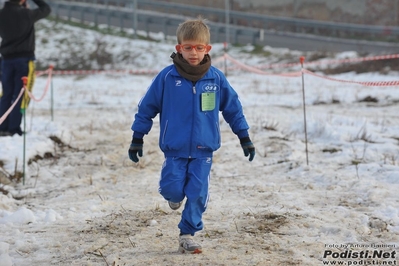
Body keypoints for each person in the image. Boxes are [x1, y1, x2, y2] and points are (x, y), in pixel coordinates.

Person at [128, 17, 255, 254]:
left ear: (207, 49)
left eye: (199, 48)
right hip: (174, 149)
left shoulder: (215, 79)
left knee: (197, 193)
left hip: (203, 149)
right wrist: (137, 137)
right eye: (188, 47)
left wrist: (244, 136)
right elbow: (146, 107)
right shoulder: (167, 78)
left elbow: (233, 108)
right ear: (179, 49)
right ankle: (174, 198)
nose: (193, 53)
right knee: (172, 189)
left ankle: (187, 234)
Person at [0, 0, 51, 137]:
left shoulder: (2, 14)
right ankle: (14, 128)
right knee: (21, 95)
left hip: (6, 60)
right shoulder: (27, 14)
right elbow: (46, 9)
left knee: (6, 94)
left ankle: (2, 126)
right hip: (24, 60)